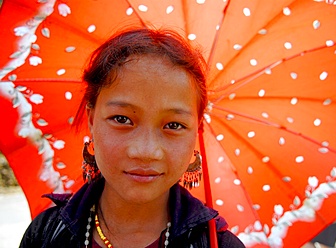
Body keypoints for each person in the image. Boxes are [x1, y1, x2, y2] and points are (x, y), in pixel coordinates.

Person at [19, 27, 245, 248]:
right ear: (91, 120)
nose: (145, 151)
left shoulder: (218, 243)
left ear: (196, 132)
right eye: (122, 119)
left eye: (174, 125)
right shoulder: (46, 234)